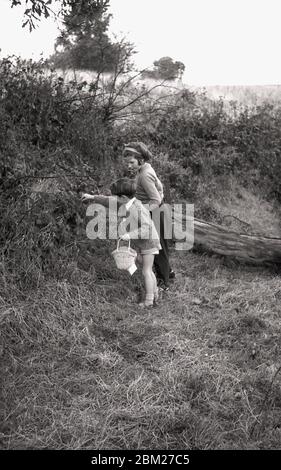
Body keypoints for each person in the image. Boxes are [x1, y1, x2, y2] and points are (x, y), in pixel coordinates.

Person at [81, 178, 161, 308]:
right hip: (143, 243)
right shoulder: (126, 203)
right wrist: (92, 197)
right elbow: (108, 201)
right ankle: (155, 294)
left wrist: (128, 235)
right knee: (148, 270)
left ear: (123, 197)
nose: (114, 198)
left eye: (115, 196)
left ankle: (149, 301)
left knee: (146, 271)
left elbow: (147, 228)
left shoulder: (138, 208)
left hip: (149, 243)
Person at [122, 141, 175, 290]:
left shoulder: (145, 175)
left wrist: (141, 210)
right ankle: (168, 272)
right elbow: (159, 188)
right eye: (126, 163)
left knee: (158, 249)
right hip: (156, 211)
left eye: (131, 162)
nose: (129, 166)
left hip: (156, 212)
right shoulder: (144, 169)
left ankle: (164, 283)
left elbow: (156, 200)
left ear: (141, 159)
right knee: (158, 245)